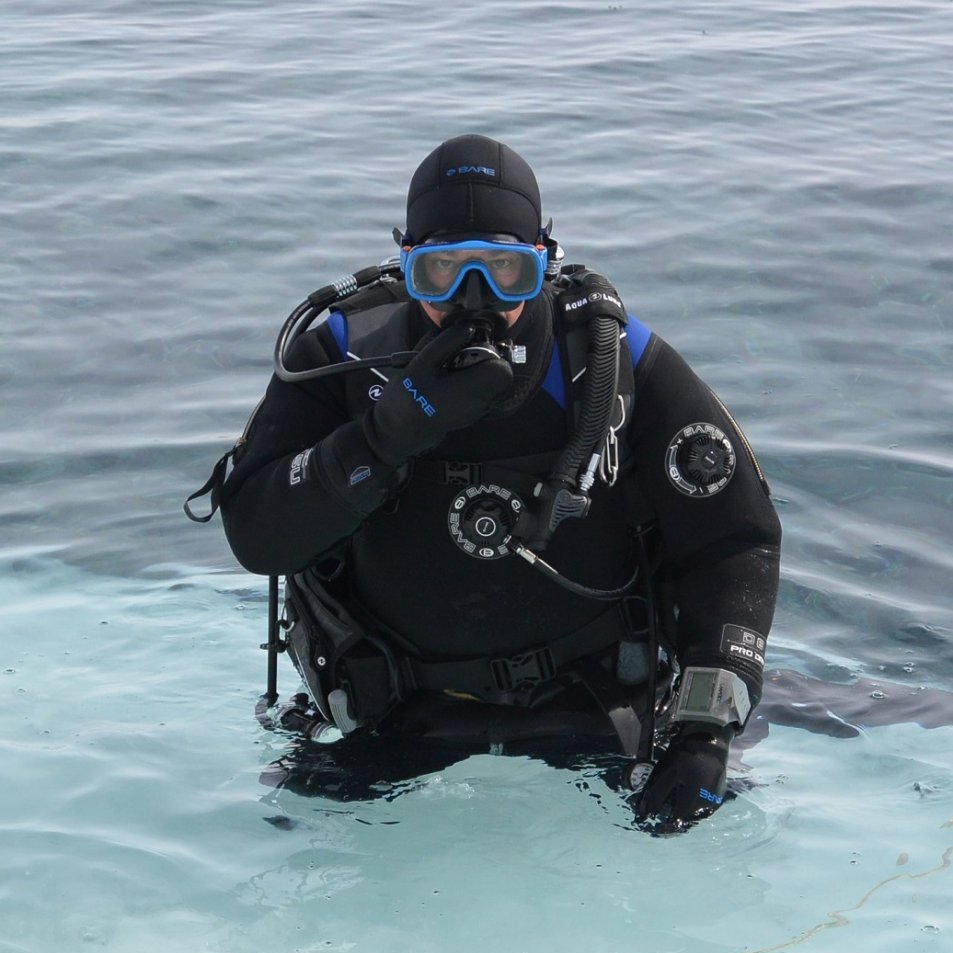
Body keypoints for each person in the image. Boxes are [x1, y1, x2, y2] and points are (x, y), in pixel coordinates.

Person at [190, 134, 783, 833]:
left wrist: (703, 730)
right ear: (405, 264)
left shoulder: (606, 358)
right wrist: (383, 435)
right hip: (391, 715)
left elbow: (732, 537)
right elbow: (260, 537)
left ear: (544, 260)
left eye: (506, 270)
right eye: (442, 273)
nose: (477, 299)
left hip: (597, 706)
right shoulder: (341, 358)